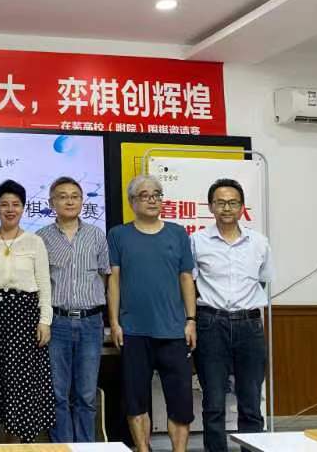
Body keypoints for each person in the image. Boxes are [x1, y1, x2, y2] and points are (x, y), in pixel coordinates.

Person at [107, 174, 196, 452]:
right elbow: (114, 280)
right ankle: (143, 449)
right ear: (132, 202)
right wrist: (114, 322)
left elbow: (186, 278)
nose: (152, 200)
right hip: (133, 331)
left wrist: (191, 320)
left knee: (180, 402)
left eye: (157, 194)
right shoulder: (118, 235)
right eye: (144, 195)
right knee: (136, 401)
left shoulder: (177, 233)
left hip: (174, 330)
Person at [192, 178, 273, 452]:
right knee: (213, 404)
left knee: (251, 402)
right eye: (220, 202)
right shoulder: (197, 241)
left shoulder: (259, 242)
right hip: (210, 325)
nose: (226, 208)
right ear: (211, 206)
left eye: (233, 202)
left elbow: (263, 280)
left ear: (242, 207)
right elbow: (189, 283)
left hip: (249, 325)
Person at [37, 176, 110, 443]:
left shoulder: (96, 234)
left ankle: (85, 447)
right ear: (51, 203)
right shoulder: (41, 238)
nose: (69, 201)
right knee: (58, 394)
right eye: (63, 196)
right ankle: (63, 447)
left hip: (91, 322)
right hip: (57, 322)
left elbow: (104, 276)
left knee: (86, 395)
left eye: (75, 196)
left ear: (82, 201)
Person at [0, 179, 55, 442]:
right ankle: (2, 442)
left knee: (24, 385)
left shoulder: (35, 242)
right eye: (4, 204)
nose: (10, 209)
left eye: (16, 204)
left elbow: (44, 284)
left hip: (26, 318)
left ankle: (23, 442)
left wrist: (45, 321)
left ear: (23, 208)